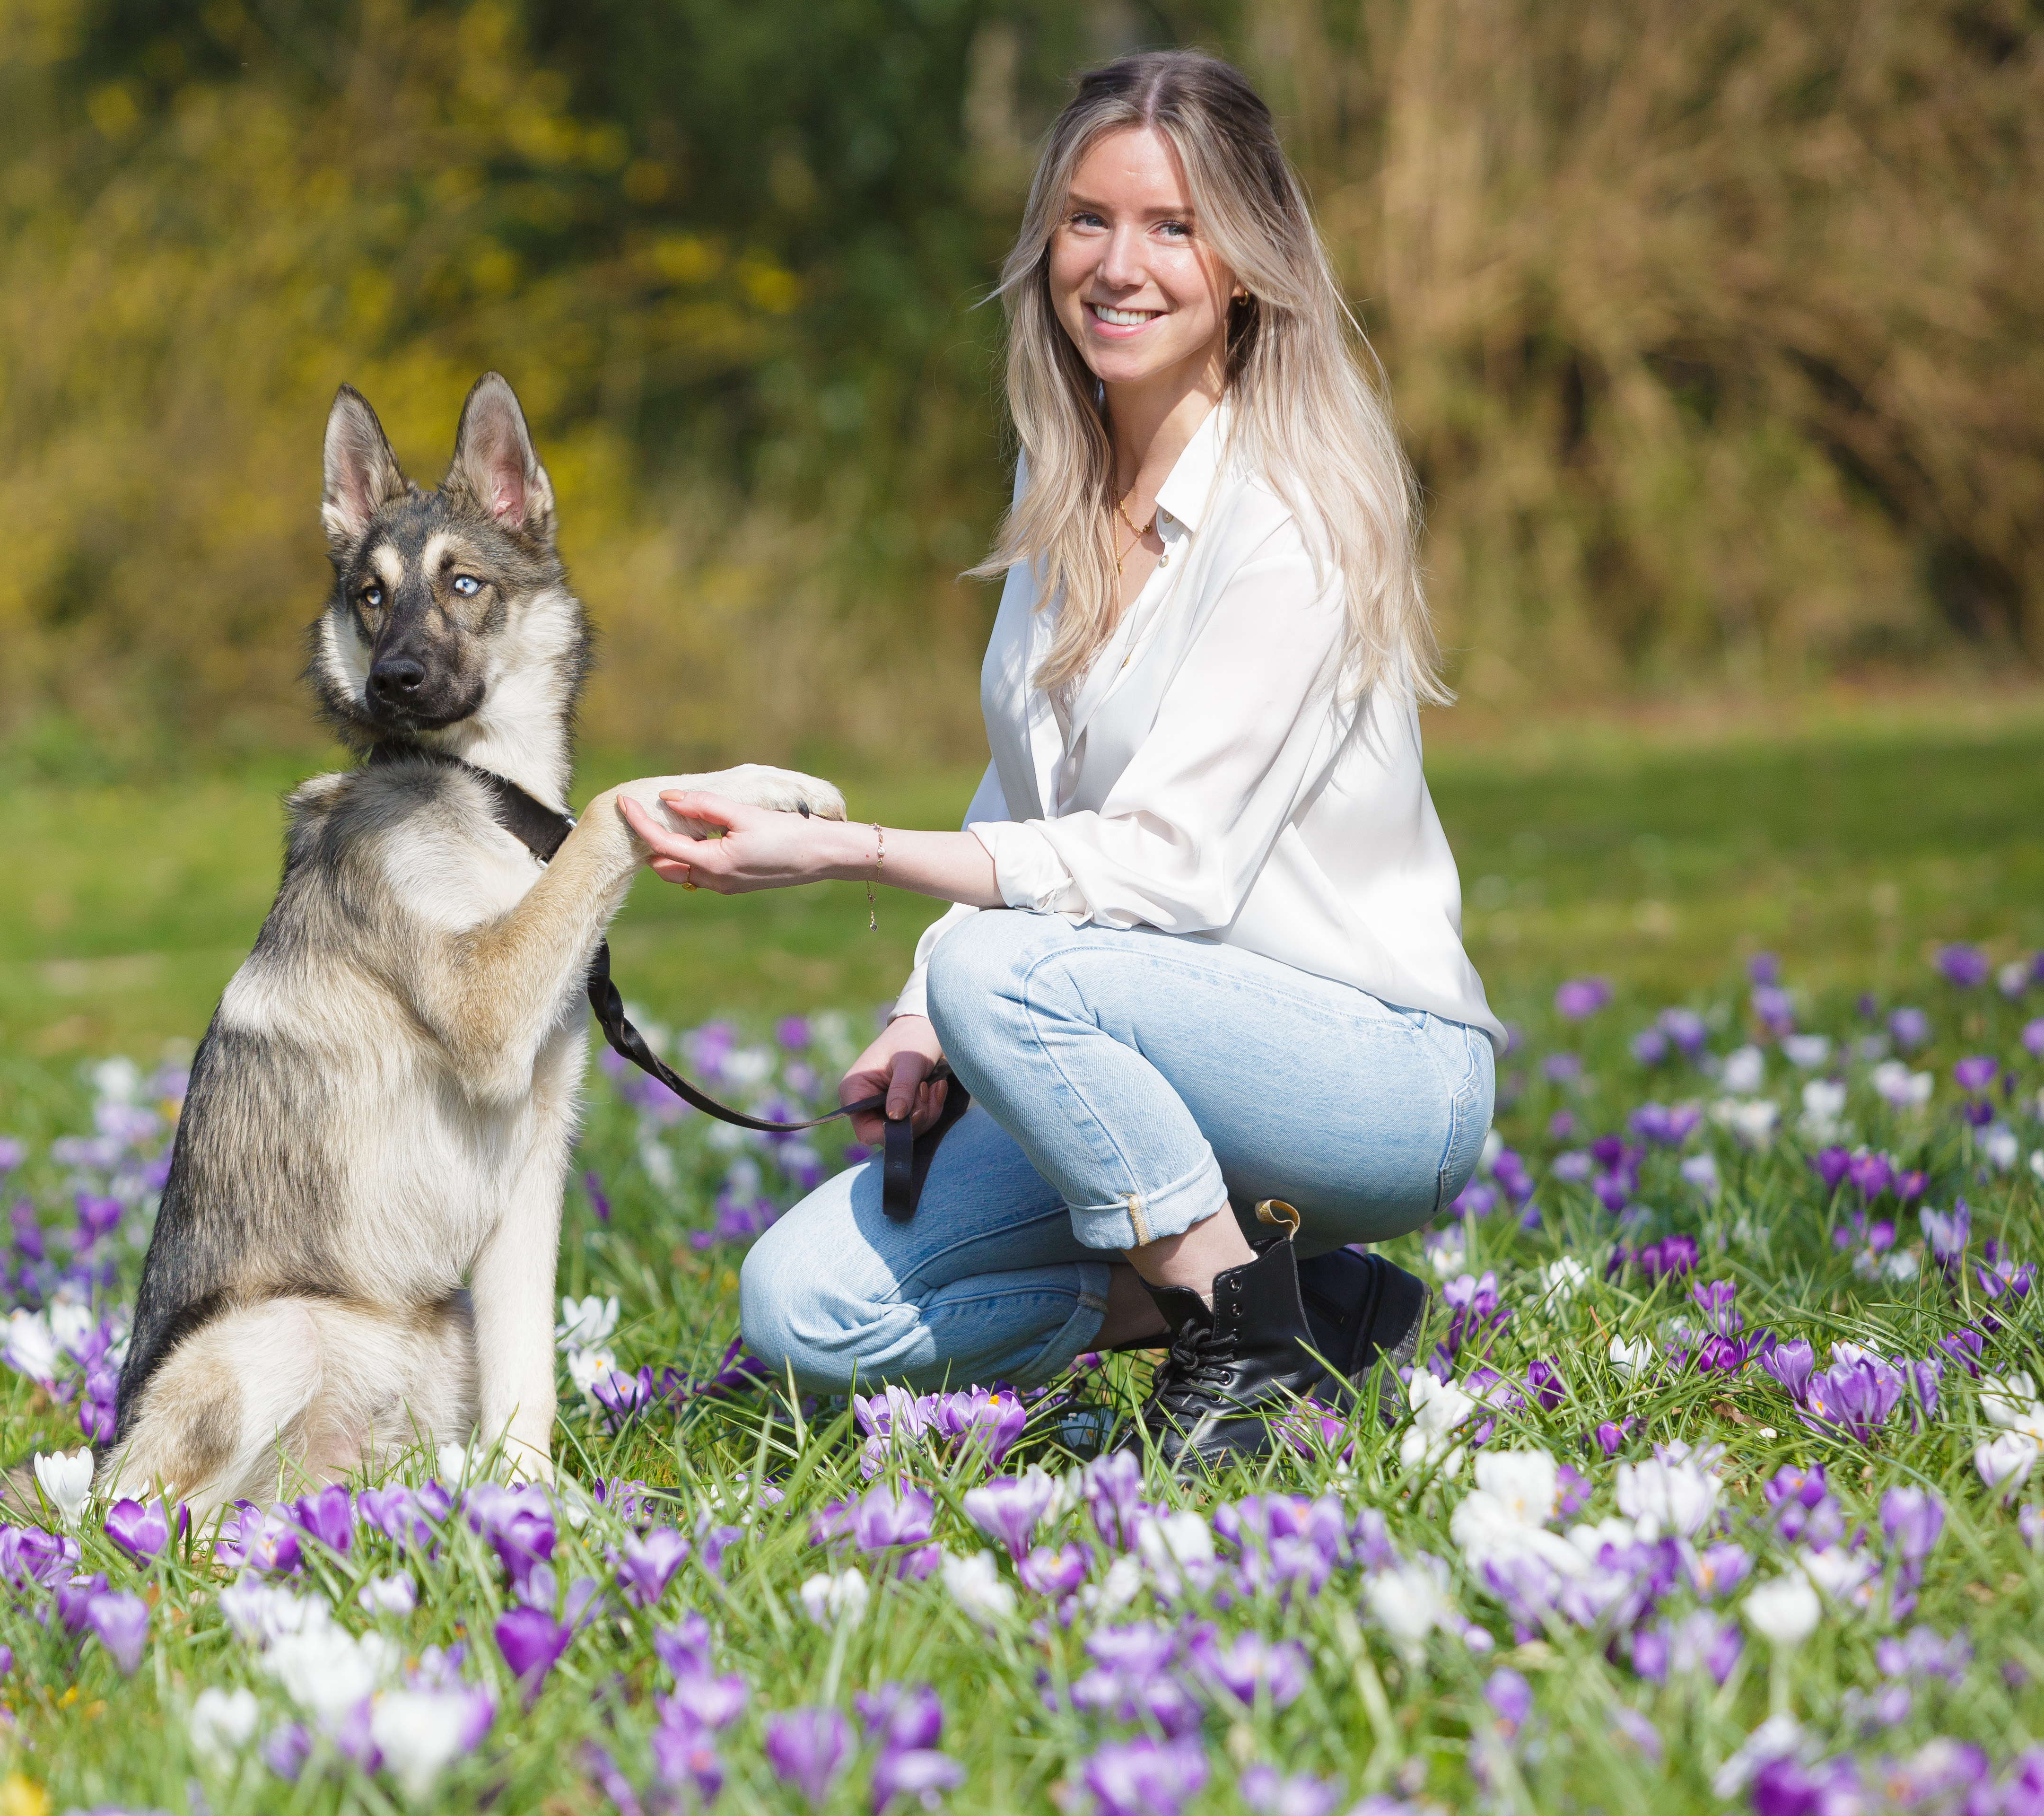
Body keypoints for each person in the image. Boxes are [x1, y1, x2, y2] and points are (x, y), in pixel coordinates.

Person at [615, 50, 1501, 1470]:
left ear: (1249, 265)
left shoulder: (1296, 519)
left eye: (1172, 225)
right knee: (805, 1311)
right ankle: (1308, 1305)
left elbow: (1167, 866)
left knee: (996, 970)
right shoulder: (1060, 478)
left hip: (1372, 1077)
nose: (1119, 264)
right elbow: (1028, 799)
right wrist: (919, 1019)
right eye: (1087, 220)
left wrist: (857, 856)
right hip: (1140, 1043)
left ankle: (1245, 1349)